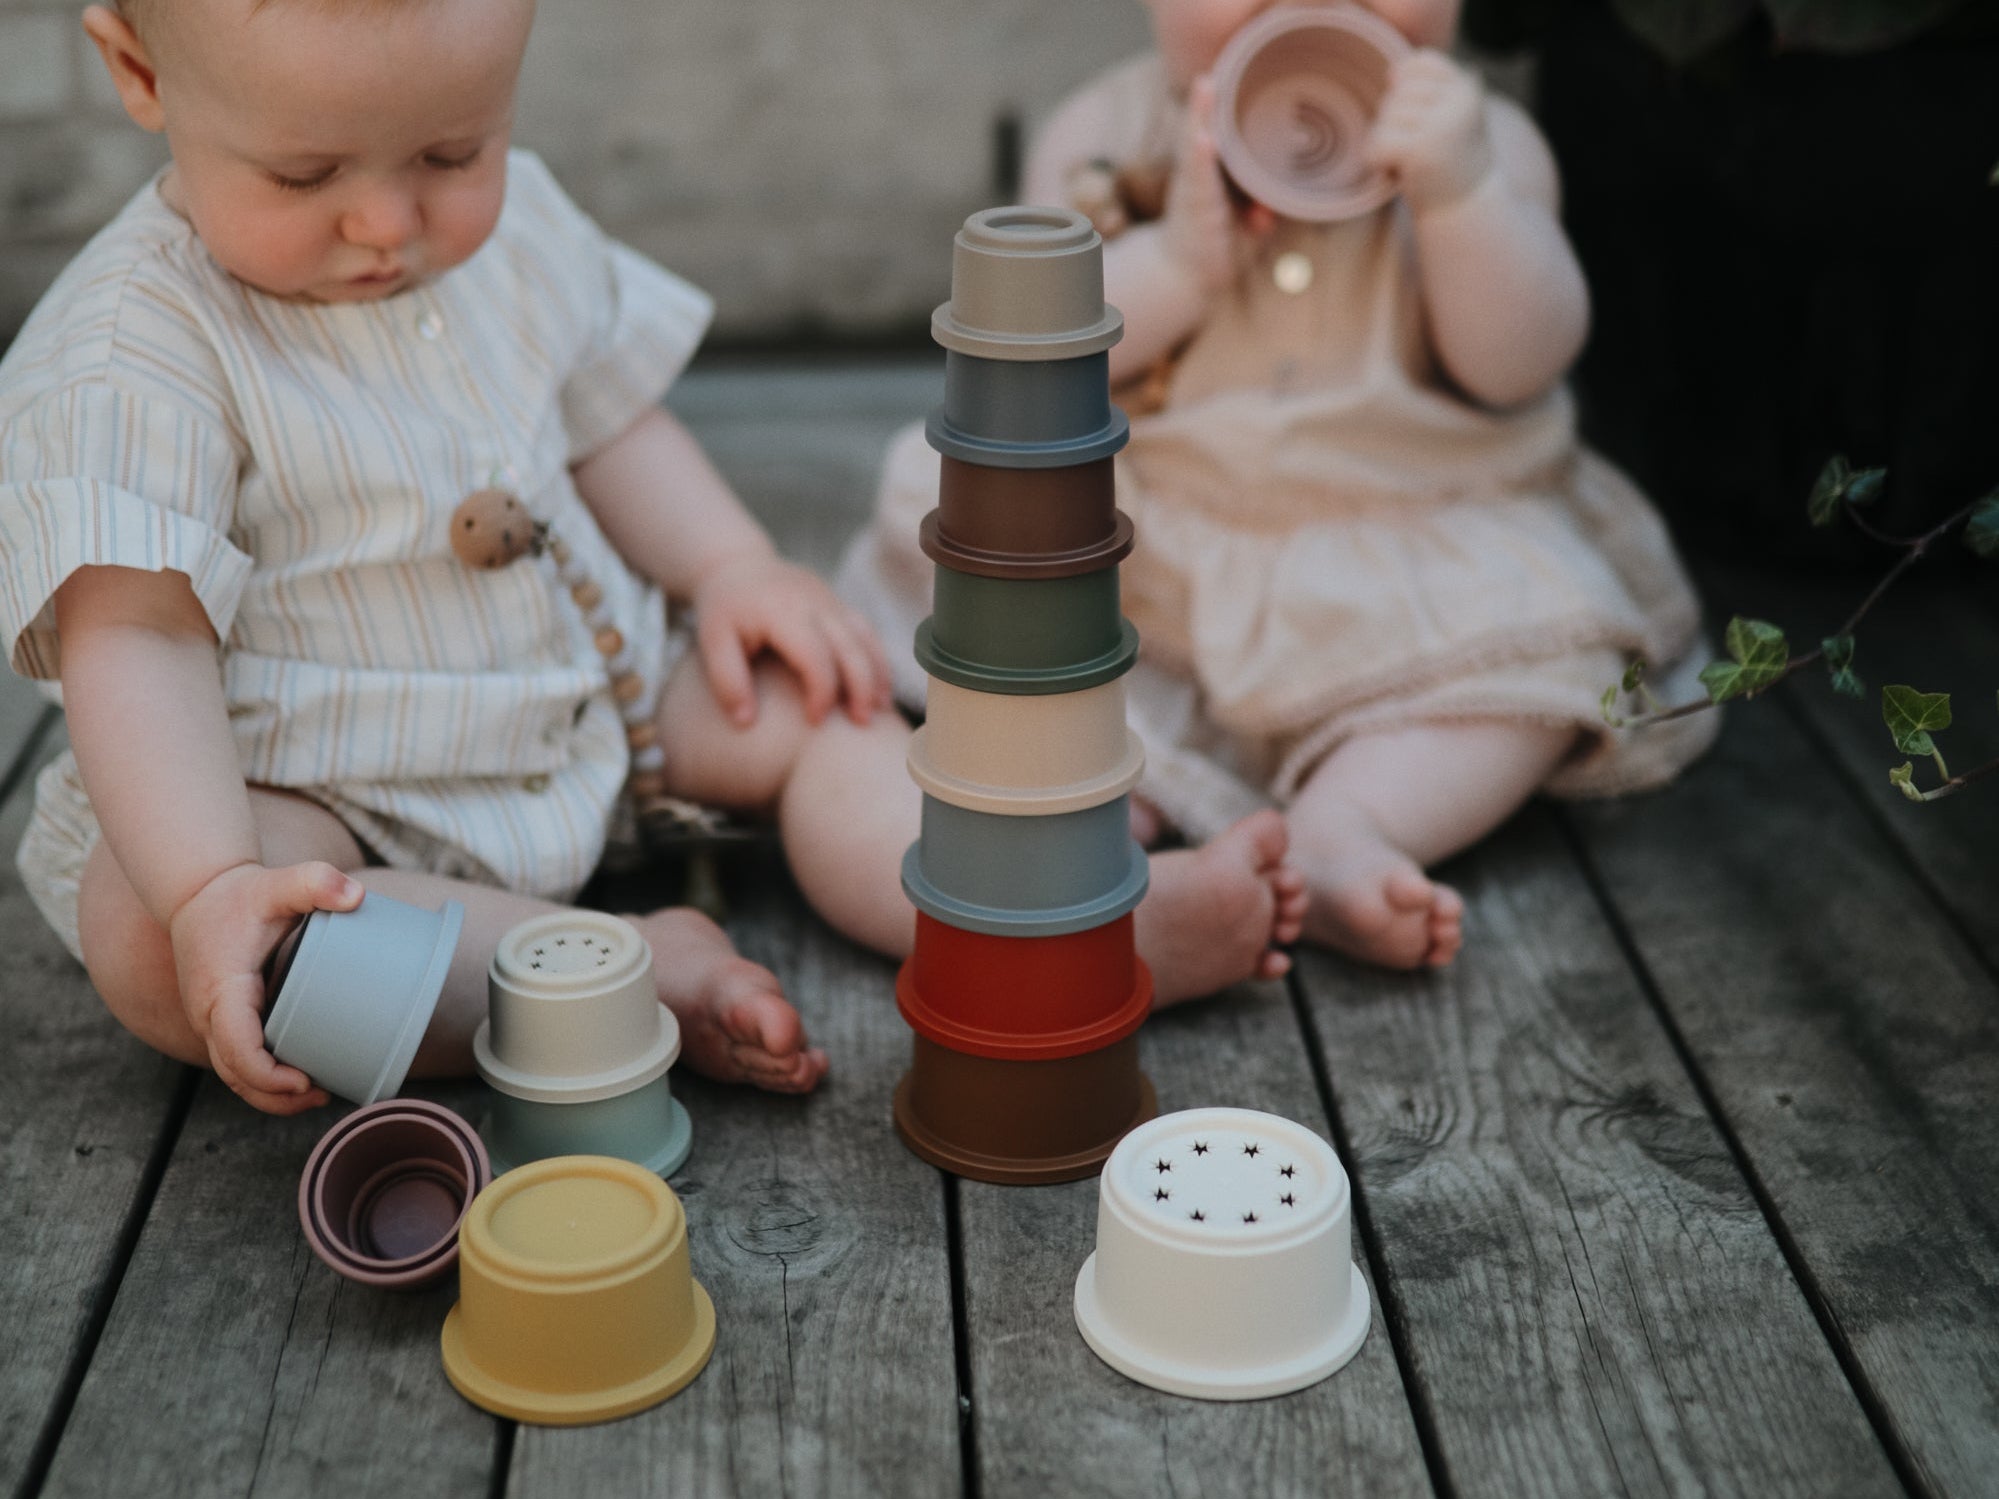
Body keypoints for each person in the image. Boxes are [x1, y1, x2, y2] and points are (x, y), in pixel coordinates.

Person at [0, 0, 1303, 1117]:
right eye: (303, 175)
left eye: (455, 149)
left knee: (811, 707)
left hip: (600, 695)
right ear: (140, 73)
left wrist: (732, 566)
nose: (389, 220)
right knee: (164, 933)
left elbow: (606, 414)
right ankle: (613, 971)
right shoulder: (133, 356)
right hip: (320, 803)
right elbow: (139, 635)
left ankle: (1045, 926)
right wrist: (212, 878)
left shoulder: (505, 238)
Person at [839, 0, 1719, 973]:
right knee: (1000, 562)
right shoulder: (1103, 139)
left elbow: (1518, 364)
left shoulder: (1484, 141)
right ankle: (1105, 783)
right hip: (1154, 542)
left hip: (1409, 544)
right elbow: (1037, 365)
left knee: (1540, 637)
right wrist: (1173, 262)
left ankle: (1347, 823)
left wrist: (1460, 197)